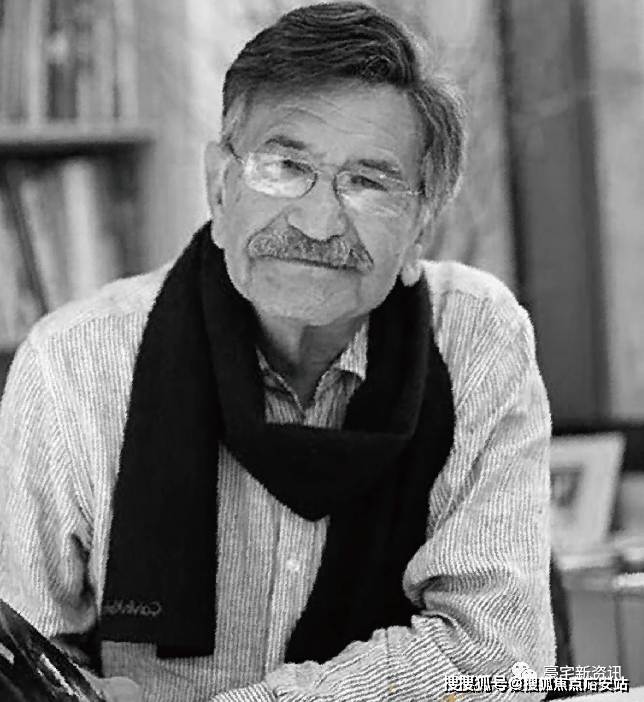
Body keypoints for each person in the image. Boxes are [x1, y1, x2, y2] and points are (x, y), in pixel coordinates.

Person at [0, 3, 555, 701]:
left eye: (369, 182)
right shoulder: (73, 363)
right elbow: (21, 658)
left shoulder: (476, 337)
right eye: (285, 166)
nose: (318, 223)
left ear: (420, 227)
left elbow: (502, 659)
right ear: (220, 187)